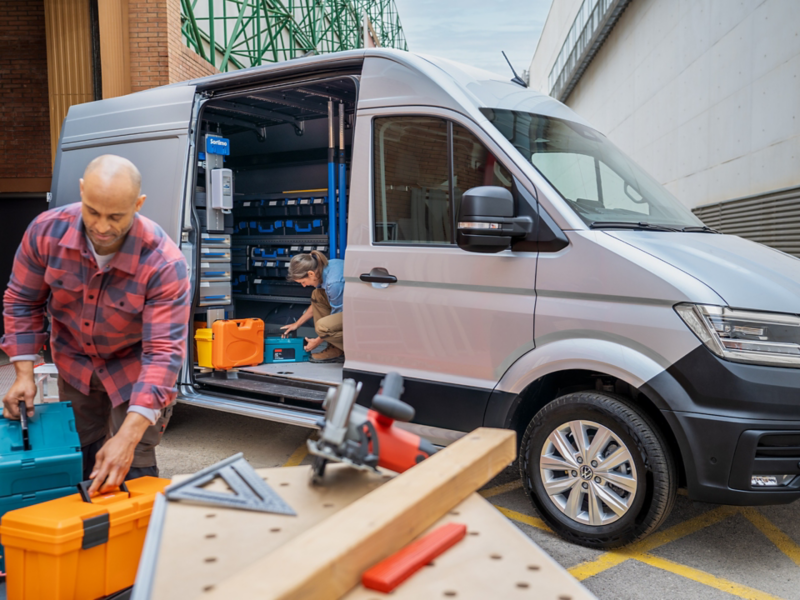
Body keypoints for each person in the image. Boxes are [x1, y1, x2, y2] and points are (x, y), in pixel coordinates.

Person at [1, 155, 190, 496]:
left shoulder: (164, 262)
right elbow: (22, 300)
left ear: (138, 204)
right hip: (75, 364)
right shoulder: (45, 232)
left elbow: (163, 353)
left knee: (130, 465)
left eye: (116, 216)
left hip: (136, 371)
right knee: (81, 453)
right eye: (93, 211)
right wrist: (25, 374)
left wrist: (128, 436)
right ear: (82, 191)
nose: (102, 227)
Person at [280, 250, 345, 363]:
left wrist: (317, 341)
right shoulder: (326, 267)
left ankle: (352, 350)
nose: (304, 286)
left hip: (362, 315)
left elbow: (337, 321)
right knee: (317, 294)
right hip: (351, 309)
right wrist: (297, 324)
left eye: (303, 282)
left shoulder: (334, 284)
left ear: (311, 274)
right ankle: (335, 348)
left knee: (322, 327)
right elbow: (317, 304)